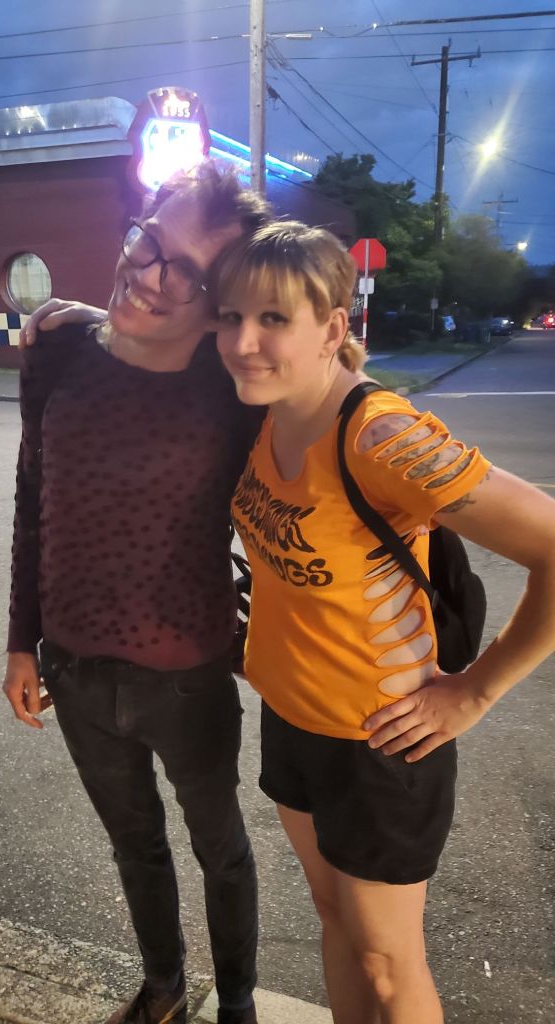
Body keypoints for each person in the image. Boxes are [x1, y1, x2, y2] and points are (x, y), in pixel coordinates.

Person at [203, 220, 555, 1024]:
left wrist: (475, 692)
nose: (242, 342)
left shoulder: (380, 436)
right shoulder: (265, 409)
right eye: (230, 316)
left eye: (273, 319)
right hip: (292, 719)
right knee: (337, 922)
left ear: (332, 329)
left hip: (382, 740)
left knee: (389, 965)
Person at [4, 163, 271, 1024]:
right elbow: (33, 501)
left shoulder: (236, 392)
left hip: (189, 675)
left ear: (218, 305)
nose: (151, 274)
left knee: (220, 849)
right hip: (74, 670)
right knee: (134, 847)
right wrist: (20, 643)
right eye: (149, 242)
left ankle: (237, 1005)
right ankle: (164, 990)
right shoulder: (56, 352)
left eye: (186, 272)